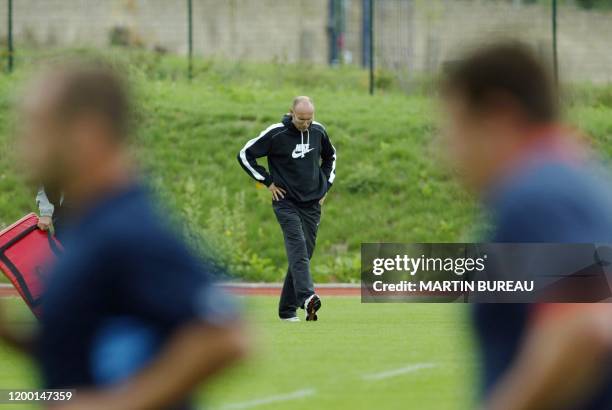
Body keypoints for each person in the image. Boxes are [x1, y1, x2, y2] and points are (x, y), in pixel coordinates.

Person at [0, 61, 248, 410]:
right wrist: (10, 335)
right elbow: (83, 355)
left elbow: (226, 336)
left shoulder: (128, 230)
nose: (21, 144)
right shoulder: (86, 227)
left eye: (36, 128)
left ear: (85, 134)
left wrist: (120, 403)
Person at [441, 42, 612, 410]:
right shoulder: (583, 177)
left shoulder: (538, 192)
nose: (447, 150)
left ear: (498, 115)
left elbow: (583, 325)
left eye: (454, 129)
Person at [237, 96, 336, 321]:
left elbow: (330, 157)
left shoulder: (318, 131)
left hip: (312, 203)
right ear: (291, 112)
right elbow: (245, 155)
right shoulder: (276, 133)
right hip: (286, 202)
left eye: (309, 119)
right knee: (297, 246)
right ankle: (307, 297)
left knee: (305, 253)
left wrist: (325, 187)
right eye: (301, 119)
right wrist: (268, 182)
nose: (306, 124)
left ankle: (286, 310)